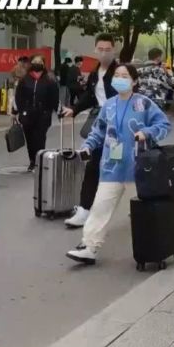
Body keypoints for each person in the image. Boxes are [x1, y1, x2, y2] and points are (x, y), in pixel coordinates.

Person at [65, 64, 171, 264]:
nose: (120, 79)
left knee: (146, 212)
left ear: (134, 81)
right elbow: (98, 131)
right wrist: (87, 146)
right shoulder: (109, 105)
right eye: (117, 75)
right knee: (99, 208)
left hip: (138, 168)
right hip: (111, 167)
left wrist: (146, 133)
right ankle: (89, 247)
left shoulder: (144, 103)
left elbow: (164, 124)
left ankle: (155, 249)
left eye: (125, 76)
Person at [61, 33, 119, 228]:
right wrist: (74, 109)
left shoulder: (120, 73)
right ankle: (85, 210)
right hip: (100, 124)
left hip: (118, 128)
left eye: (107, 49)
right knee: (93, 166)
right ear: (95, 50)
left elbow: (129, 97)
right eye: (100, 49)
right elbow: (89, 96)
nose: (103, 53)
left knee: (119, 168)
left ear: (113, 50)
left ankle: (143, 200)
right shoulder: (95, 73)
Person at [12, 55, 59, 172]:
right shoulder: (24, 80)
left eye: (40, 62)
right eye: (35, 61)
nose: (37, 63)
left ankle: (39, 162)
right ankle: (32, 161)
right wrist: (16, 111)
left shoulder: (49, 80)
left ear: (43, 64)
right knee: (30, 139)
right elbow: (18, 97)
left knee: (40, 139)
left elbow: (54, 98)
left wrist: (58, 111)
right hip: (27, 114)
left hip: (43, 115)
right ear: (31, 63)